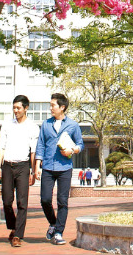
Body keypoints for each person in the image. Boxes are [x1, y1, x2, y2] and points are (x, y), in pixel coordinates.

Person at [34, 93, 84, 246]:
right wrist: (37, 165)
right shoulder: (46, 125)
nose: (50, 108)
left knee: (62, 201)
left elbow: (80, 144)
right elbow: (40, 145)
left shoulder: (73, 125)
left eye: (52, 105)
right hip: (48, 167)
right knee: (45, 199)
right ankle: (53, 223)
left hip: (65, 168)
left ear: (62, 107)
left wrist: (72, 150)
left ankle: (58, 232)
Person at [0, 95, 39, 248]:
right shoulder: (7, 125)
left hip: (23, 166)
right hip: (7, 165)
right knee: (6, 201)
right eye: (14, 107)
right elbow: (1, 147)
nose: (15, 110)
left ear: (26, 108)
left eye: (18, 108)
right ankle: (13, 227)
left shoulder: (33, 126)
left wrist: (33, 171)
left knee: (22, 202)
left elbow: (33, 151)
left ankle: (18, 235)